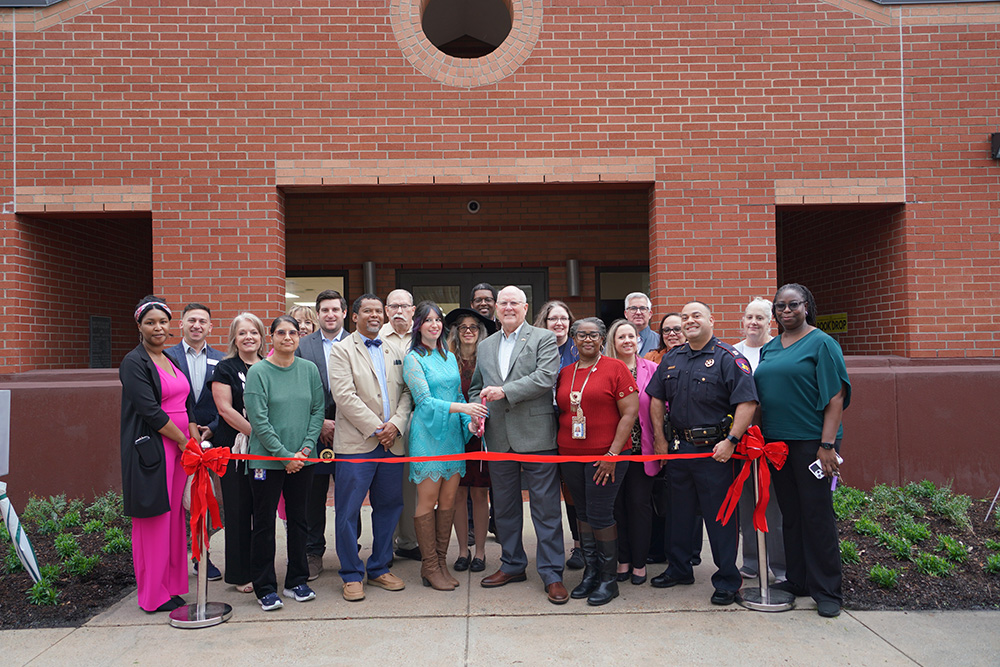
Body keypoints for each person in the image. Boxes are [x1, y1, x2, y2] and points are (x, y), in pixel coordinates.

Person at [646, 300, 758, 606]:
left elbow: (747, 402)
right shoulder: (672, 358)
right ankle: (679, 568)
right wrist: (659, 439)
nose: (689, 320)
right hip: (680, 450)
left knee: (720, 518)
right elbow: (655, 397)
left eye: (696, 315)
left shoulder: (727, 358)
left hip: (715, 452)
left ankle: (726, 579)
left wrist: (732, 440)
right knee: (678, 515)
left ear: (712, 320)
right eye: (684, 317)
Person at [754, 283, 850, 618]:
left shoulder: (822, 343)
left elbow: (835, 397)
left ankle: (828, 591)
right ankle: (798, 581)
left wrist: (826, 445)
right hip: (777, 444)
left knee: (817, 515)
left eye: (792, 305)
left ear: (806, 306)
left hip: (812, 443)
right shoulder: (771, 347)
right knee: (790, 516)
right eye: (779, 307)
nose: (786, 312)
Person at [469, 285, 568, 605]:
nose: (508, 308)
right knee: (506, 508)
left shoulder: (542, 338)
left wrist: (505, 392)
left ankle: (552, 572)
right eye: (503, 303)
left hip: (537, 436)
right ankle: (512, 564)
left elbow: (545, 378)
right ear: (496, 309)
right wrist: (474, 414)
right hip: (498, 438)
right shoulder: (485, 345)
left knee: (546, 509)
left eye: (514, 303)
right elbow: (477, 388)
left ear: (526, 307)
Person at [329, 294, 413, 602]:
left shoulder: (396, 348)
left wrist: (396, 426)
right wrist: (378, 429)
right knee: (348, 511)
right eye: (368, 311)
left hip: (393, 443)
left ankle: (379, 567)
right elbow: (344, 395)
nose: (374, 316)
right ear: (355, 316)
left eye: (379, 311)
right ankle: (351, 573)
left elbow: (407, 392)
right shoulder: (341, 350)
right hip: (357, 445)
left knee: (390, 506)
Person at [119, 296, 198, 613]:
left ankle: (172, 586)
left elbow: (188, 401)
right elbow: (150, 410)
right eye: (150, 322)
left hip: (180, 449)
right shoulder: (134, 362)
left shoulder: (170, 358)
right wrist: (182, 440)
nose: (158, 327)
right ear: (139, 326)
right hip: (154, 450)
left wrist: (192, 435)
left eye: (163, 321)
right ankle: (153, 595)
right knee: (153, 520)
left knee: (176, 518)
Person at [403, 302, 489, 590]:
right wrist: (464, 410)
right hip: (427, 437)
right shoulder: (413, 359)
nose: (434, 325)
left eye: (438, 320)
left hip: (453, 437)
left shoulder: (449, 356)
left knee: (451, 502)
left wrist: (471, 423)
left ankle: (441, 562)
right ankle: (429, 566)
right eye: (427, 320)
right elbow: (424, 402)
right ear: (418, 326)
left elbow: (460, 398)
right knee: (428, 501)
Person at [244, 315, 325, 611]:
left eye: (293, 332)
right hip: (267, 460)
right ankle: (265, 586)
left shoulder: (309, 370)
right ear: (272, 337)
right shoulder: (259, 372)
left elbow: (318, 410)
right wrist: (284, 455)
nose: (288, 337)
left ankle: (296, 581)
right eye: (281, 332)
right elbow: (258, 419)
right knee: (264, 524)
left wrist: (304, 449)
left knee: (300, 520)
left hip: (304, 460)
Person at [557, 318, 638, 606]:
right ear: (574, 340)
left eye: (593, 335)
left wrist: (613, 455)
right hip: (570, 456)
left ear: (602, 339)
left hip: (607, 456)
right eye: (581, 335)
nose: (587, 339)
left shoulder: (615, 368)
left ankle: (608, 580)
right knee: (582, 514)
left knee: (601, 514)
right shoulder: (565, 372)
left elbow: (630, 414)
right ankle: (590, 574)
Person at [165, 303, 224, 580]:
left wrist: (211, 429)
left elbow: (226, 402)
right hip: (174, 441)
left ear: (211, 327)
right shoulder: (165, 357)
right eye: (191, 320)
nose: (197, 325)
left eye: (202, 321)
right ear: (181, 324)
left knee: (204, 502)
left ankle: (202, 557)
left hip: (209, 443)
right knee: (177, 502)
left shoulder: (222, 360)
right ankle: (172, 559)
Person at [208, 312, 266, 594]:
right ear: (234, 337)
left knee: (262, 510)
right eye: (242, 333)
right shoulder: (225, 368)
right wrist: (258, 434)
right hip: (235, 450)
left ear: (261, 336)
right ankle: (240, 573)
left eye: (253, 332)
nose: (248, 337)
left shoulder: (270, 366)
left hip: (267, 452)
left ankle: (262, 568)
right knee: (239, 509)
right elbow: (225, 410)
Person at [295, 289, 350, 581]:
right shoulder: (303, 346)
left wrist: (339, 422)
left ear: (343, 313)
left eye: (335, 310)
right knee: (312, 500)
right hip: (313, 436)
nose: (330, 315)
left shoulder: (358, 343)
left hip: (351, 433)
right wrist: (321, 425)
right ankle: (313, 552)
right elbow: (298, 391)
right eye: (324, 310)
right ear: (317, 315)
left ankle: (349, 552)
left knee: (349, 498)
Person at [732, 297, 786, 584]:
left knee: (773, 503)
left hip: (773, 438)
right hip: (742, 440)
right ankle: (751, 561)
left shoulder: (778, 349)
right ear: (743, 320)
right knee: (746, 501)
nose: (753, 323)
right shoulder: (732, 352)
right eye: (749, 317)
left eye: (760, 318)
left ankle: (780, 565)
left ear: (770, 322)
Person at [605, 319, 659, 586]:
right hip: (613, 451)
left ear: (638, 341)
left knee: (639, 506)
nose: (627, 341)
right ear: (613, 343)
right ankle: (622, 560)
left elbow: (663, 406)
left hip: (642, 450)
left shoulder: (653, 369)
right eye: (621, 337)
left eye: (631, 336)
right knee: (616, 508)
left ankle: (639, 563)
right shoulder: (604, 369)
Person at [533, 300, 584, 570]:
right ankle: (552, 547)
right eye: (553, 319)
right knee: (549, 489)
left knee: (573, 486)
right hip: (543, 420)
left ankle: (579, 546)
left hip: (573, 421)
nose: (559, 324)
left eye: (563, 319)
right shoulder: (536, 347)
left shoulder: (578, 348)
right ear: (544, 322)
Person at [446, 307, 496, 575]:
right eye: (463, 327)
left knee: (479, 493)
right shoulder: (446, 359)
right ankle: (463, 551)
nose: (468, 331)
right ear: (455, 331)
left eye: (473, 327)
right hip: (454, 433)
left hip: (480, 433)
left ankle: (480, 553)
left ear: (480, 332)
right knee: (457, 493)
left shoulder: (488, 358)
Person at [380, 289, 422, 564]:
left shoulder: (423, 336)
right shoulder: (376, 337)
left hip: (420, 423)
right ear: (386, 310)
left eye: (403, 306)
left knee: (411, 487)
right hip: (387, 424)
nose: (398, 311)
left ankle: (408, 541)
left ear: (412, 309)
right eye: (393, 306)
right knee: (387, 488)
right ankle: (385, 544)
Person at [625, 292, 658, 357]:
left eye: (643, 308)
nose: (638, 312)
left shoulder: (660, 342)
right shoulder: (614, 343)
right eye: (633, 308)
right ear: (626, 314)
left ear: (650, 314)